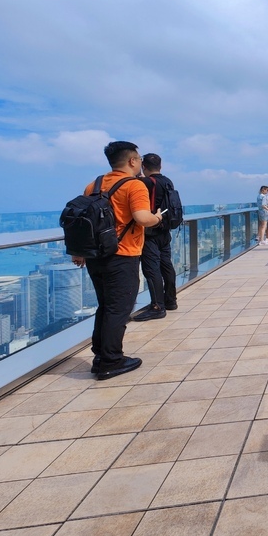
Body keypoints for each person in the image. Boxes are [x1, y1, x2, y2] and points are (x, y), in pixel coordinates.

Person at [71, 141, 164, 380]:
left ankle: (100, 356)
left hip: (95, 256)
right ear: (132, 160)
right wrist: (156, 218)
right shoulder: (135, 186)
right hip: (123, 255)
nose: (141, 164)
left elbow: (84, 221)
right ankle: (111, 361)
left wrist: (79, 252)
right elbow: (141, 218)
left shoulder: (94, 185)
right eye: (139, 159)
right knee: (119, 308)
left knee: (105, 305)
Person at [134, 153, 178, 321]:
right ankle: (171, 300)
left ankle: (157, 306)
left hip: (150, 231)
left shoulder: (144, 182)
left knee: (151, 269)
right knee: (166, 265)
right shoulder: (167, 181)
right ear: (160, 165)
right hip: (165, 230)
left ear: (143, 166)